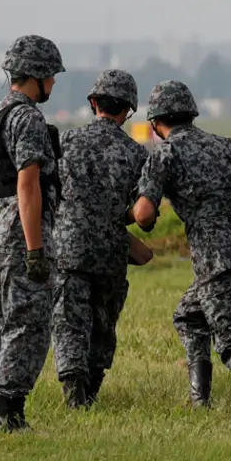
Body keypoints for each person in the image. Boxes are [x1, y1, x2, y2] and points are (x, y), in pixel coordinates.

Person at [132, 80, 231, 413]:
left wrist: (138, 216)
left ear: (155, 122)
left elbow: (143, 214)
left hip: (215, 259)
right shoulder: (226, 146)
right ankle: (199, 400)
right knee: (189, 316)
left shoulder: (166, 154)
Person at [0, 34, 66, 431]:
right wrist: (35, 250)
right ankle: (10, 410)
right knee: (27, 323)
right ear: (37, 75)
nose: (54, 82)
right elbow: (29, 184)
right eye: (51, 76)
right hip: (18, 230)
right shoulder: (27, 118)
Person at [52, 69, 150, 408]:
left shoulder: (65, 142)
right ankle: (91, 390)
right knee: (103, 322)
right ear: (128, 110)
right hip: (111, 252)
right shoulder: (137, 154)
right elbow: (141, 212)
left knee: (70, 321)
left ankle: (73, 393)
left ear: (94, 103)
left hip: (68, 248)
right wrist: (112, 216)